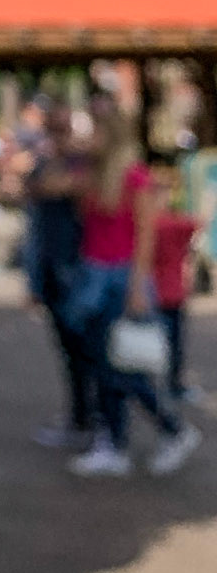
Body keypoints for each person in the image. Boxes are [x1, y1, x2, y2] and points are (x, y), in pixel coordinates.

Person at [68, 107, 200, 480]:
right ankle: (115, 442)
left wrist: (137, 288)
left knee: (119, 367)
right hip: (95, 275)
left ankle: (171, 428)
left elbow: (145, 235)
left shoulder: (135, 177)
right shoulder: (95, 174)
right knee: (102, 363)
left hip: (119, 277)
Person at [22, 103, 95, 451]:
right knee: (70, 349)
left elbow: (61, 188)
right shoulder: (47, 161)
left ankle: (91, 419)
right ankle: (82, 416)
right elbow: (37, 192)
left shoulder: (80, 162)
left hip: (75, 268)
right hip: (53, 268)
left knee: (86, 349)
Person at [149, 147, 200, 408]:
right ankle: (173, 385)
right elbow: (199, 223)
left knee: (154, 342)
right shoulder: (170, 223)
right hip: (171, 291)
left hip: (156, 291)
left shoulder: (150, 224)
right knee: (173, 345)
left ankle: (158, 385)